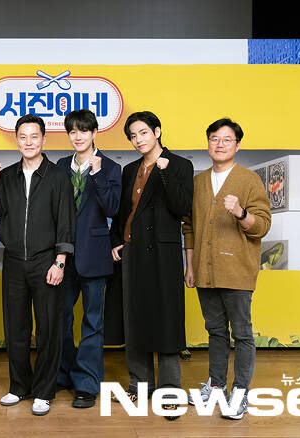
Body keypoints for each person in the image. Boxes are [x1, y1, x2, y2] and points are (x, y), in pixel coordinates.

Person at [0, 114, 75, 416]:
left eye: (34, 136)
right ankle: (19, 386)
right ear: (17, 140)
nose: (28, 142)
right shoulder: (7, 176)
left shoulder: (57, 176)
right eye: (23, 137)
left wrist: (60, 262)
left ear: (44, 139)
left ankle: (44, 391)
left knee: (48, 327)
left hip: (46, 260)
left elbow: (66, 221)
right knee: (16, 327)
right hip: (14, 261)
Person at [183, 118, 271, 420]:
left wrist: (241, 213)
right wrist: (190, 266)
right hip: (204, 270)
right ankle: (216, 384)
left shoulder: (249, 180)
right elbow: (189, 227)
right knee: (216, 331)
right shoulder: (198, 182)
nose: (219, 145)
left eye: (226, 139)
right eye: (214, 139)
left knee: (242, 334)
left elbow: (262, 226)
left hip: (237, 270)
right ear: (208, 143)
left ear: (237, 145)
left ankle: (241, 392)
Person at [110, 111, 193, 420]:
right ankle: (139, 384)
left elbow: (182, 207)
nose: (138, 140)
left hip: (162, 251)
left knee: (166, 318)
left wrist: (166, 173)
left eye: (143, 132)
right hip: (132, 250)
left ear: (157, 131)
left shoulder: (179, 165)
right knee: (135, 317)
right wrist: (116, 240)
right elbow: (123, 211)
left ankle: (170, 390)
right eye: (133, 136)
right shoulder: (130, 169)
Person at [55, 109, 121, 408]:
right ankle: (63, 374)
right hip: (63, 257)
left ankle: (87, 384)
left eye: (83, 130)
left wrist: (96, 174)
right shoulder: (60, 166)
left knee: (93, 323)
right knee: (61, 319)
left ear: (95, 133)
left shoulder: (110, 168)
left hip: (94, 256)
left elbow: (112, 208)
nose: (77, 136)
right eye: (72, 131)